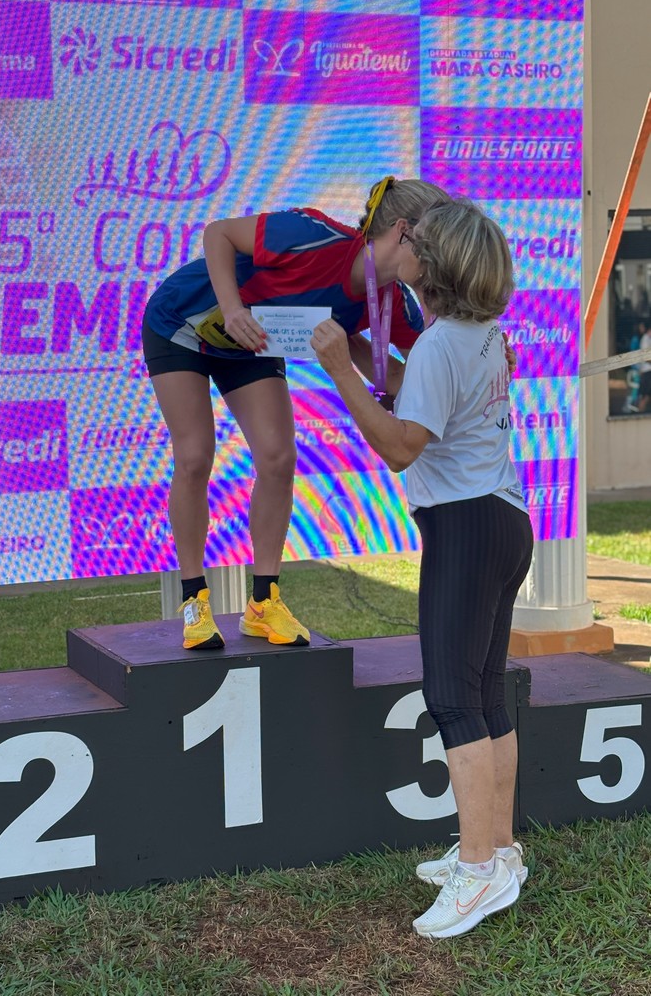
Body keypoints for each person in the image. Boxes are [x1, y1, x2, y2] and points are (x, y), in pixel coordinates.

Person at [311, 198, 534, 939]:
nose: (400, 242)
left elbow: (403, 446)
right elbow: (426, 397)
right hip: (504, 520)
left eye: (414, 238)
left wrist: (342, 370)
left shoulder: (443, 345)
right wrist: (382, 373)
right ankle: (499, 853)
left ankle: (478, 874)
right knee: (484, 694)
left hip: (467, 527)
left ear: (431, 265)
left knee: (450, 697)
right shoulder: (477, 336)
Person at [142, 177, 450, 650]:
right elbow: (218, 233)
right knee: (195, 456)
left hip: (254, 343)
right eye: (434, 246)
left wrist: (485, 359)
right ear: (403, 232)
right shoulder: (313, 235)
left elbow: (418, 372)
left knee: (278, 457)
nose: (437, 263)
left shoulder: (394, 301)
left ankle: (263, 604)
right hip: (181, 322)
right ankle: (193, 600)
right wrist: (233, 307)